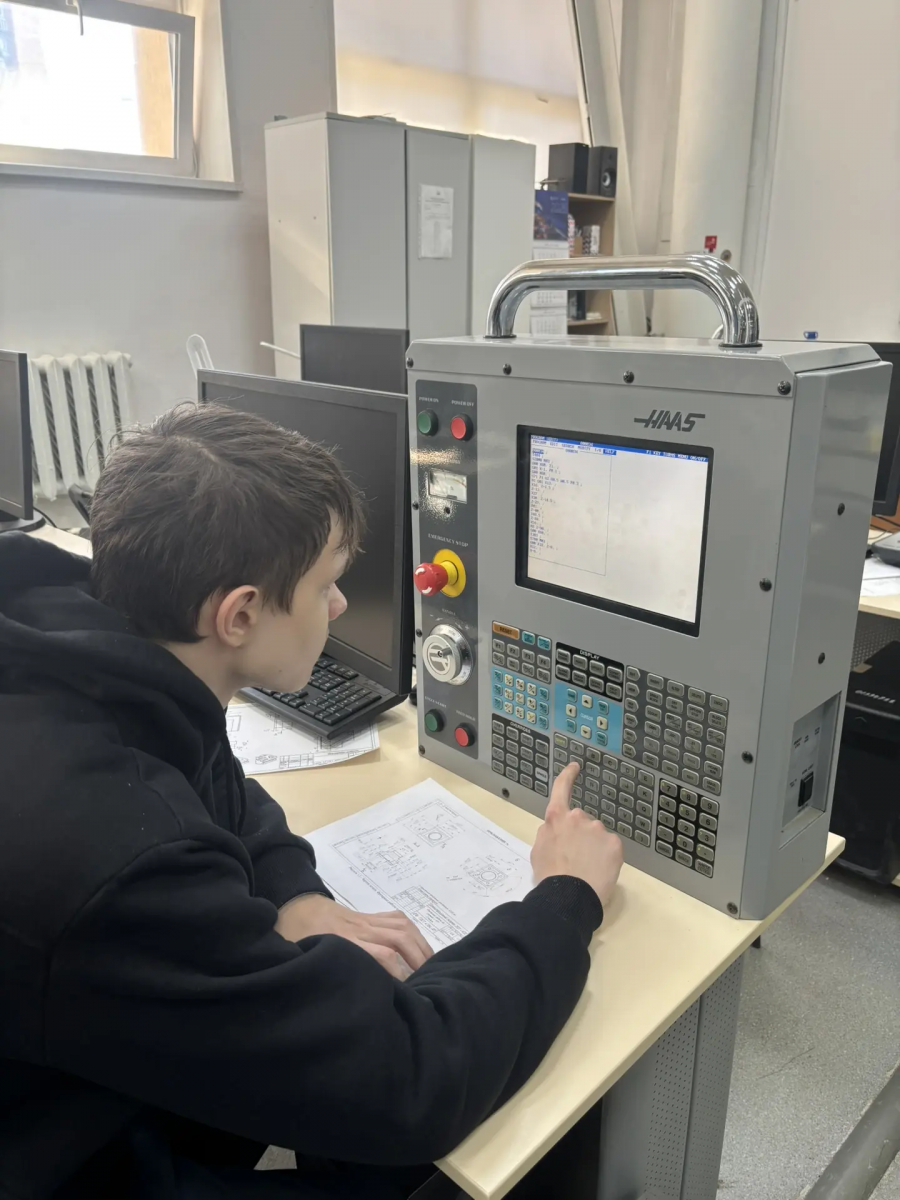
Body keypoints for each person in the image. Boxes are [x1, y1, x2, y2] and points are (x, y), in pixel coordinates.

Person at [0, 404, 623, 1200]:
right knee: (496, 1150)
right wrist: (564, 900)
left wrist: (293, 895)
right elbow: (411, 1080)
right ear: (240, 615)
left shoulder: (88, 653)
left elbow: (220, 783)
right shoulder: (118, 853)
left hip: (74, 1069)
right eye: (326, 585)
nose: (338, 608)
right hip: (68, 1159)